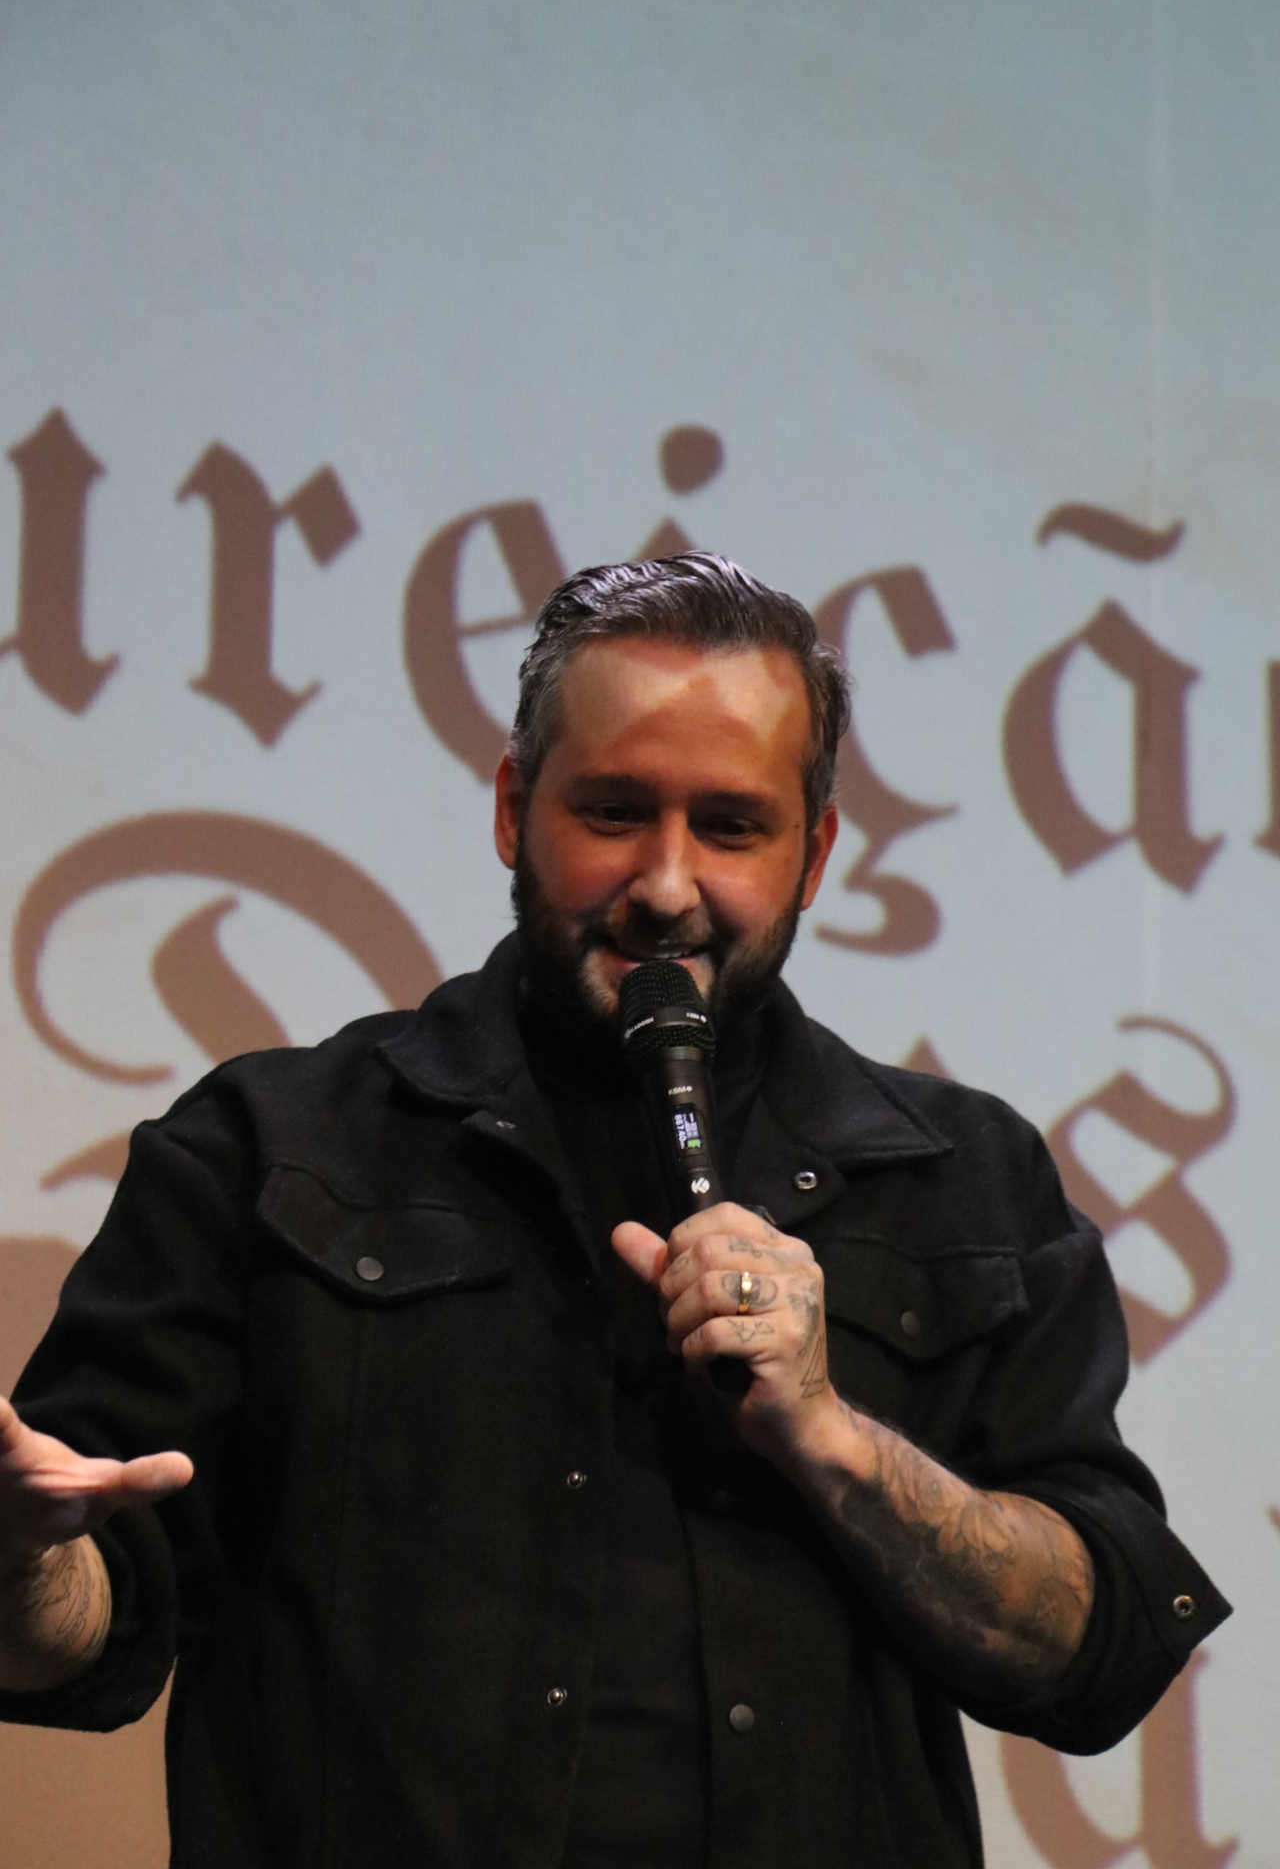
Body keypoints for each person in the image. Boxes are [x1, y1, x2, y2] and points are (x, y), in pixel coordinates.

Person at [0, 553, 1228, 1868]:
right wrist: (19, 1567)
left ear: (815, 853)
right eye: (615, 811)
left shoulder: (959, 1179)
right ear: (513, 809)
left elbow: (1096, 1649)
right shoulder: (267, 1148)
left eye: (732, 827)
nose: (666, 884)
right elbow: (90, 1621)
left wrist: (831, 1438)